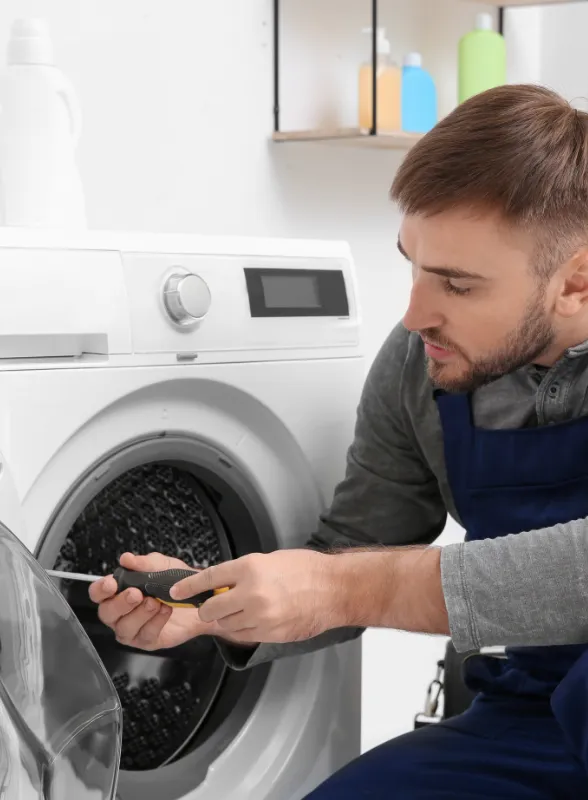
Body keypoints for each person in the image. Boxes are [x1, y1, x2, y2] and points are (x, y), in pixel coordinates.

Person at [90, 84, 588, 797]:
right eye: (412, 264)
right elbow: (348, 555)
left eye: (458, 284)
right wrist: (216, 608)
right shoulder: (421, 363)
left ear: (577, 282)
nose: (415, 314)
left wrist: (340, 588)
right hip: (531, 710)